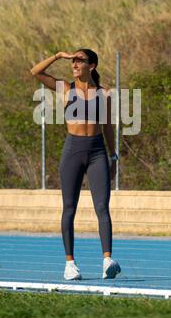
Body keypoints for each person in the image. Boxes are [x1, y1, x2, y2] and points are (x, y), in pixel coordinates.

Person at [30, 48, 121, 280]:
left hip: (97, 152)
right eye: (73, 60)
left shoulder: (105, 94)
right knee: (69, 208)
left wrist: (114, 157)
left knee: (102, 207)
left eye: (79, 60)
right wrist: (59, 56)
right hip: (72, 151)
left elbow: (108, 127)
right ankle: (70, 264)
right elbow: (36, 72)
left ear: (92, 66)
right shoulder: (66, 88)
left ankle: (107, 260)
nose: (75, 64)